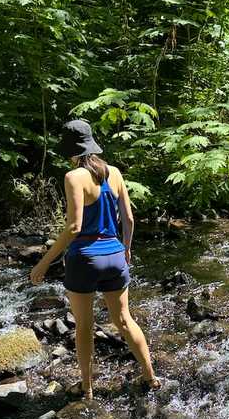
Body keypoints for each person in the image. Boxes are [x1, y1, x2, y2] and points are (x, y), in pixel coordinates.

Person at [30, 119, 160, 398]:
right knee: (124, 319)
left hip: (85, 260)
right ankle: (150, 376)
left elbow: (74, 228)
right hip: (114, 256)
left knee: (85, 326)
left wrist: (44, 262)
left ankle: (87, 388)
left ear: (71, 149)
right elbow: (129, 218)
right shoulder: (114, 173)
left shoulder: (73, 177)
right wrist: (125, 248)